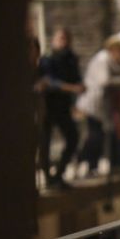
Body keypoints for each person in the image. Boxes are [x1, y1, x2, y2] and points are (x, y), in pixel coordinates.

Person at [76, 33, 120, 177]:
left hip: (107, 105)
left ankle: (107, 165)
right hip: (94, 104)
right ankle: (87, 165)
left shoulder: (119, 60)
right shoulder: (103, 59)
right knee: (95, 137)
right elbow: (104, 81)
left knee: (107, 136)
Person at [38, 27, 85, 189]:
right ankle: (49, 179)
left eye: (66, 39)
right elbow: (49, 82)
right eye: (61, 39)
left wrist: (77, 92)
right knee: (45, 143)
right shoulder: (48, 58)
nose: (64, 42)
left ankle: (59, 174)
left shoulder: (70, 58)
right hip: (48, 107)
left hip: (63, 106)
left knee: (73, 137)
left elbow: (77, 79)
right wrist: (71, 88)